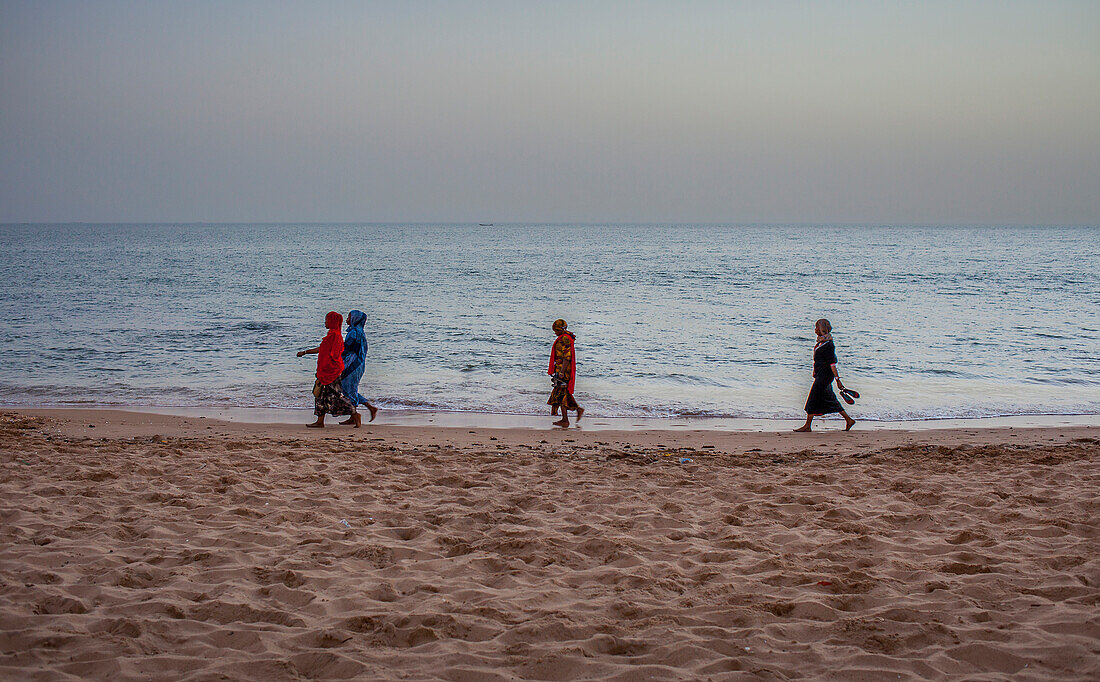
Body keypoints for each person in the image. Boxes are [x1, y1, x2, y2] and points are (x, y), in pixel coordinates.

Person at [297, 311, 361, 428]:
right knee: (320, 396)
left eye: (327, 320)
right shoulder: (331, 335)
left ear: (332, 321)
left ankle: (355, 415)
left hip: (332, 373)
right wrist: (305, 352)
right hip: (326, 372)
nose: (325, 322)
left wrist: (328, 366)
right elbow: (322, 349)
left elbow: (335, 355)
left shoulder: (335, 336)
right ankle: (320, 421)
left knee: (335, 396)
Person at [795, 318, 855, 432]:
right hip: (820, 374)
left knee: (813, 398)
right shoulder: (821, 342)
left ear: (821, 329)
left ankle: (808, 426)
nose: (815, 329)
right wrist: (815, 370)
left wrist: (838, 380)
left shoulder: (828, 345)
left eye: (816, 327)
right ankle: (849, 420)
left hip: (825, 376)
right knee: (830, 399)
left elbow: (832, 364)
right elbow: (818, 360)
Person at [338, 310, 378, 423]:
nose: (347, 319)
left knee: (347, 388)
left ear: (355, 319)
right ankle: (364, 409)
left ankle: (356, 414)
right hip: (359, 363)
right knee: (350, 388)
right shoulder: (360, 332)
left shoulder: (354, 332)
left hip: (352, 364)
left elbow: (347, 348)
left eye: (349, 317)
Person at [547, 319, 584, 427]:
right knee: (562, 393)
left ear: (560, 329)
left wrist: (562, 372)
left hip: (564, 371)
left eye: (556, 330)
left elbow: (567, 358)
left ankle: (566, 420)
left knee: (562, 394)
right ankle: (575, 411)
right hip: (560, 369)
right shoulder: (564, 337)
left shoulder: (565, 339)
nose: (555, 332)